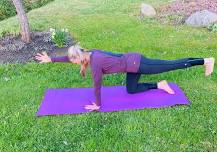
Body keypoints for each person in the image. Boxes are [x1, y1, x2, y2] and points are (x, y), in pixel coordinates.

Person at [34, 43, 215, 112]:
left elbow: (97, 85)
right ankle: (159, 85)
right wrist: (52, 59)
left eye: (75, 61)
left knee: (171, 64)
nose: (73, 63)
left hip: (138, 63)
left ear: (80, 57)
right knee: (131, 90)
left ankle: (205, 60)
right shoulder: (89, 53)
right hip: (131, 66)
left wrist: (98, 104)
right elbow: (70, 58)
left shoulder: (95, 62)